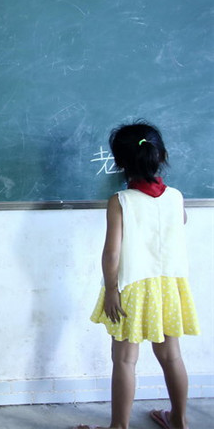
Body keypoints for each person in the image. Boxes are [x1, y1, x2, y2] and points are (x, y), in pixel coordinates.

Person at [78, 123, 200, 429]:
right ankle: (180, 421)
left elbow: (112, 254)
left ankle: (119, 426)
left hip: (133, 286)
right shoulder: (176, 197)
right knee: (171, 356)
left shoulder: (121, 202)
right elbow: (179, 223)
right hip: (169, 286)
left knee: (124, 360)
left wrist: (110, 290)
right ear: (162, 156)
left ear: (119, 163)